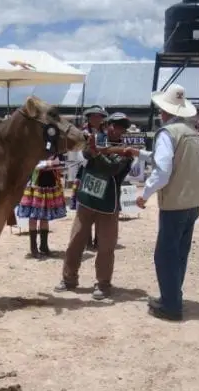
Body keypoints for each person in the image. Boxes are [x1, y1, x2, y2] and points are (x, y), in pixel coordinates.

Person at [135, 84, 199, 321]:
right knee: (180, 252)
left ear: (164, 111)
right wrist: (140, 154)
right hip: (194, 201)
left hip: (175, 202)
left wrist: (144, 194)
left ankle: (170, 304)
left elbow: (163, 170)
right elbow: (175, 160)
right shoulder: (192, 133)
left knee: (165, 254)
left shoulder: (166, 133)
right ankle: (173, 295)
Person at [55, 112, 134, 300]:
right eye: (115, 124)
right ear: (108, 125)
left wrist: (95, 152)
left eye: (122, 126)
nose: (118, 128)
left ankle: (103, 283)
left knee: (106, 246)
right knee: (75, 241)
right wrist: (93, 149)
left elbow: (111, 169)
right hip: (87, 199)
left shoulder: (127, 150)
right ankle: (69, 279)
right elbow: (85, 154)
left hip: (108, 204)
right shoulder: (97, 139)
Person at [70, 105, 108, 250]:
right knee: (85, 207)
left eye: (99, 117)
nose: (96, 119)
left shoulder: (105, 134)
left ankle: (98, 239)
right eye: (93, 116)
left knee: (99, 208)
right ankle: (86, 239)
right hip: (86, 171)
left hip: (101, 172)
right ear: (89, 118)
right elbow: (78, 153)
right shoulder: (82, 134)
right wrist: (88, 159)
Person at [17, 154, 66, 258]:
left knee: (45, 216)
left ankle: (44, 246)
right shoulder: (35, 146)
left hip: (49, 183)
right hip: (36, 184)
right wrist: (46, 163)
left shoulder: (54, 147)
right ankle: (33, 248)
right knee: (33, 216)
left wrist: (58, 164)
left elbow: (60, 162)